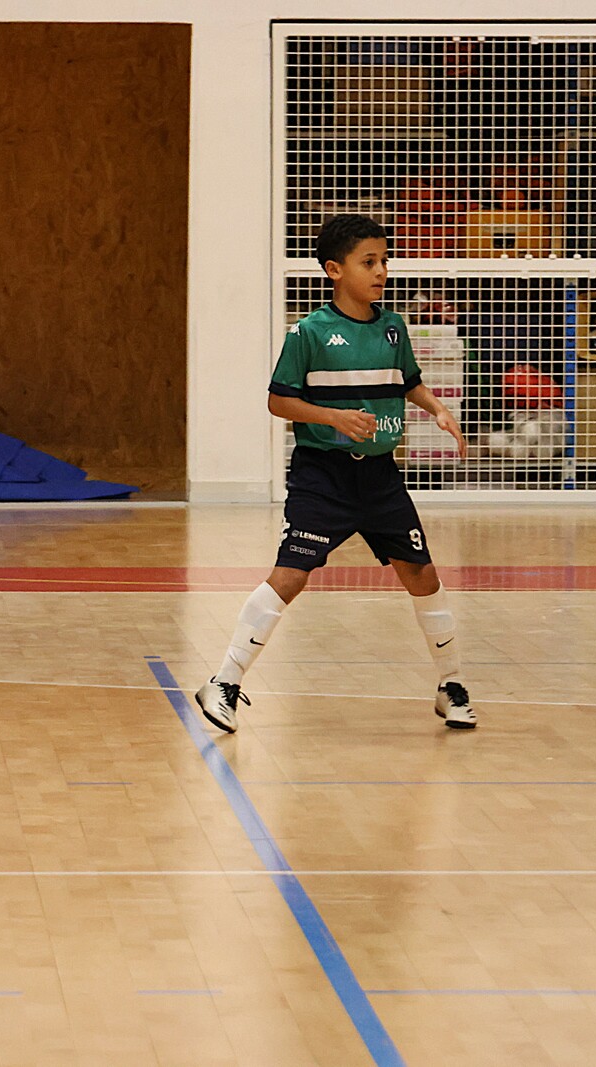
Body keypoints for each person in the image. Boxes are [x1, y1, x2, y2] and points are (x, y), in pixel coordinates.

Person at [194, 214, 476, 732]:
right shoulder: (309, 333)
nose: (381, 271)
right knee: (291, 574)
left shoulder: (393, 327)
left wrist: (436, 407)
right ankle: (224, 680)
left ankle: (451, 684)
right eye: (369, 262)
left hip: (380, 478)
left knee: (423, 575)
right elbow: (279, 401)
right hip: (323, 476)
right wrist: (333, 418)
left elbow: (408, 382)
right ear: (334, 270)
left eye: (384, 260)